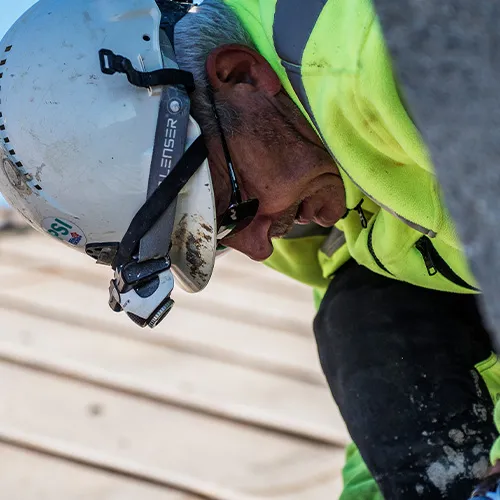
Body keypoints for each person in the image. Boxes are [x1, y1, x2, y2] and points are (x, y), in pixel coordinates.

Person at [1, 0, 499, 497]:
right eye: (215, 235)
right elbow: (389, 360)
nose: (258, 248)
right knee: (363, 308)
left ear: (240, 74)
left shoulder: (412, 69)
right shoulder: (285, 167)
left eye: (228, 207)